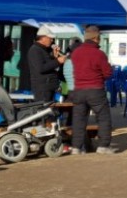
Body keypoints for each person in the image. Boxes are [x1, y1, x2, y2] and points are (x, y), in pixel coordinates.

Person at [70, 25, 116, 155]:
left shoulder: (76, 53)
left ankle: (77, 148)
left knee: (79, 120)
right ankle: (103, 146)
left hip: (78, 89)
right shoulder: (99, 54)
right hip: (96, 89)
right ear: (96, 38)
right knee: (103, 118)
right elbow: (107, 74)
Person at [27, 25, 66, 102]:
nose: (52, 40)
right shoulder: (35, 50)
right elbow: (41, 68)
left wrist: (55, 57)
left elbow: (50, 66)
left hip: (49, 87)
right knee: (44, 111)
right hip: (43, 89)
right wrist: (58, 61)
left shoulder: (44, 50)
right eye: (50, 38)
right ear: (43, 37)